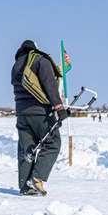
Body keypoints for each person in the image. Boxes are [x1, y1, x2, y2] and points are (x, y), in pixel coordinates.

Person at [11, 40, 70, 196]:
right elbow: (49, 84)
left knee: (27, 148)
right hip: (40, 112)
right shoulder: (39, 60)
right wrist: (59, 107)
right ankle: (37, 177)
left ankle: (26, 186)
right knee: (52, 143)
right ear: (35, 49)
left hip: (22, 113)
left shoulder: (16, 65)